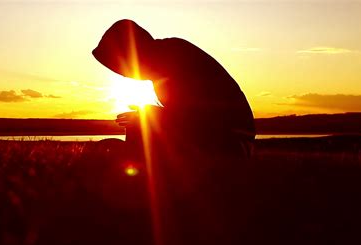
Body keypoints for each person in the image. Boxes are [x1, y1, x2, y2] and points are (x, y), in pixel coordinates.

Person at [92, 19, 255, 159]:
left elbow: (195, 117)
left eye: (123, 67)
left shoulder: (175, 58)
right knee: (142, 122)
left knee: (143, 123)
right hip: (225, 137)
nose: (127, 75)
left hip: (233, 142)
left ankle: (138, 172)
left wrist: (149, 115)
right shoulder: (166, 59)